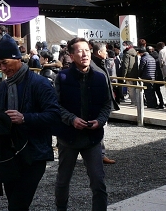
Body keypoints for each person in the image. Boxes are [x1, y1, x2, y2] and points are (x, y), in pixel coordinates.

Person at [0, 34, 61, 211]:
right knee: (14, 203)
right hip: (9, 152)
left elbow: (55, 116)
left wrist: (25, 118)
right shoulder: (4, 85)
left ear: (17, 58)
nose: (2, 68)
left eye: (5, 63)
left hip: (34, 153)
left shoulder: (40, 84)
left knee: (18, 203)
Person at [54, 37, 111, 211]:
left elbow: (107, 104)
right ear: (71, 56)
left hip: (92, 137)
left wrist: (100, 121)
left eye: (87, 50)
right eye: (79, 51)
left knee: (98, 181)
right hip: (68, 137)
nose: (84, 54)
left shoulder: (100, 77)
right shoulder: (62, 77)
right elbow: (55, 105)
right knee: (63, 180)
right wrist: (71, 119)